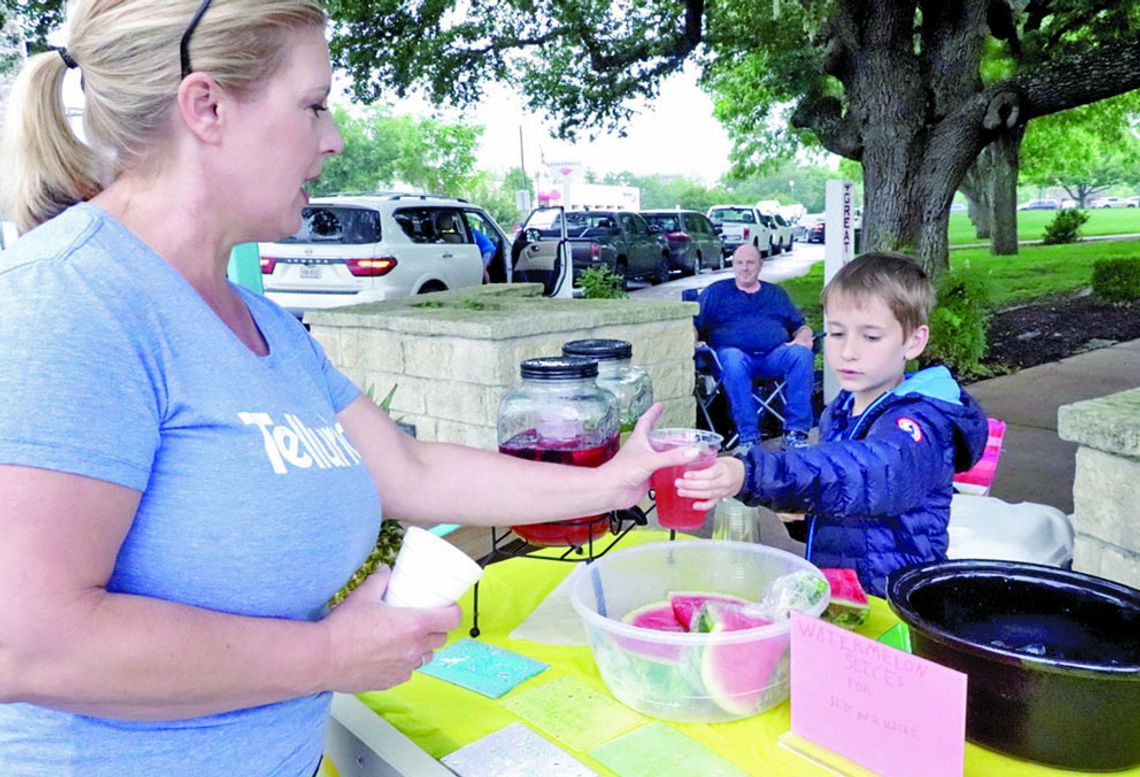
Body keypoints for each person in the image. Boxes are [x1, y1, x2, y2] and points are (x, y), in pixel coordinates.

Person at [0, 3, 693, 774]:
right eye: (313, 105)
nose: (332, 138)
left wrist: (615, 478)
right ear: (206, 107)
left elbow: (410, 470)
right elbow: (29, 643)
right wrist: (326, 653)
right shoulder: (70, 300)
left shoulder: (262, 322)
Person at [680, 252, 989, 598]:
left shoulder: (921, 421)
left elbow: (870, 470)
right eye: (838, 334)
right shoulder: (841, 410)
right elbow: (840, 489)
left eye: (870, 337)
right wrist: (807, 512)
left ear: (913, 341)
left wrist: (753, 473)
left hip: (896, 603)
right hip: (846, 596)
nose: (848, 352)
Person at [694, 243, 814, 451]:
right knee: (732, 357)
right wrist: (693, 340)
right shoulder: (715, 293)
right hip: (731, 360)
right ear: (733, 265)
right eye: (739, 263)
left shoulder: (776, 294)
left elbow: (800, 326)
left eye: (750, 262)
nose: (745, 268)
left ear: (760, 265)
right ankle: (749, 438)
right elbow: (694, 325)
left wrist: (804, 337)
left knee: (800, 354)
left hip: (772, 358)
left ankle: (796, 433)